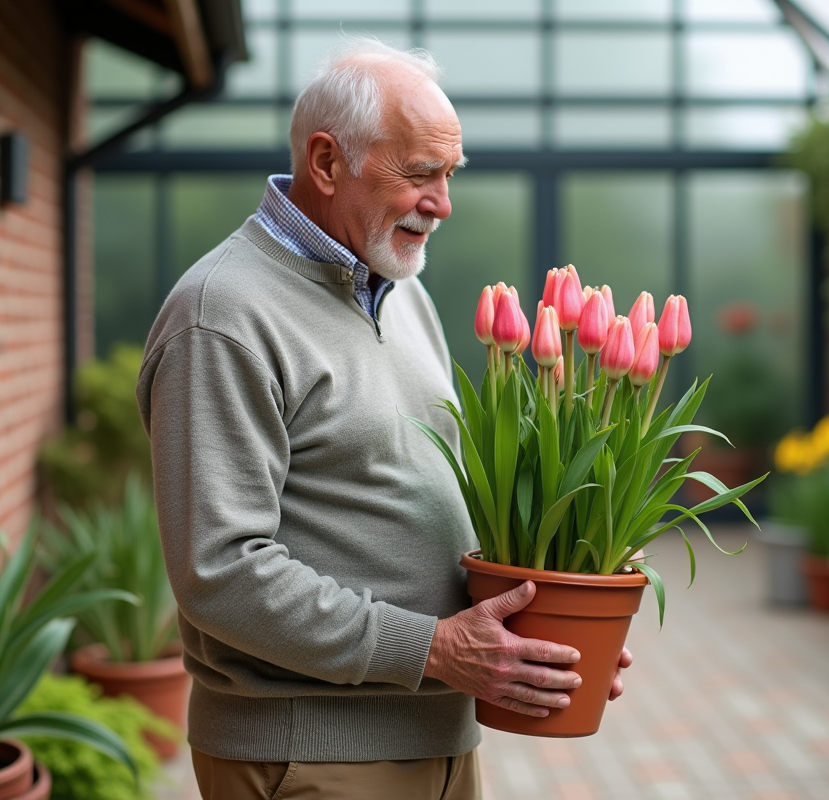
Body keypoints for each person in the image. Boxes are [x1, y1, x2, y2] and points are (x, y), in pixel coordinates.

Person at [136, 39, 631, 800]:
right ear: (328, 163)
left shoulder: (400, 294)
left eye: (449, 175)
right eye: (420, 174)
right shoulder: (223, 315)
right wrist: (434, 649)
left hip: (439, 735)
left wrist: (542, 640)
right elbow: (221, 572)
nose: (443, 203)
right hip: (314, 756)